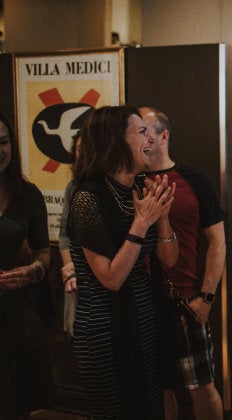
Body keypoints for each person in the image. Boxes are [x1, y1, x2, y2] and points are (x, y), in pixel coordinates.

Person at [67, 105, 178, 418]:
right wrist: (142, 223)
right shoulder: (88, 198)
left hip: (145, 320)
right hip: (104, 329)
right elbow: (111, 279)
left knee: (150, 409)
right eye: (141, 132)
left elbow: (169, 258)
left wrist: (164, 218)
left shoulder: (142, 189)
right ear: (115, 142)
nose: (150, 140)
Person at [140, 107, 226, 420]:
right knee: (159, 389)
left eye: (145, 130)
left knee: (201, 387)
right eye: (135, 130)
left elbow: (218, 241)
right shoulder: (126, 181)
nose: (140, 137)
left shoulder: (195, 181)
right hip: (143, 304)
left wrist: (206, 298)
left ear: (164, 136)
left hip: (185, 301)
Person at [0, 112, 56, 418]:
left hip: (16, 310)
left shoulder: (27, 195)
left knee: (18, 403)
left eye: (3, 142)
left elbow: (43, 254)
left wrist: (31, 271)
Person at [58, 132, 81, 337]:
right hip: (75, 278)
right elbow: (64, 234)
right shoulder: (73, 187)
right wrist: (69, 270)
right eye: (79, 149)